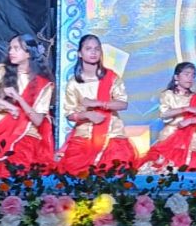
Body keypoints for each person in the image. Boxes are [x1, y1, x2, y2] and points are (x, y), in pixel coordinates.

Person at [0, 34, 55, 176]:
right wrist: (6, 104)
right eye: (10, 48)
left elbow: (39, 120)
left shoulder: (43, 83)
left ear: (29, 53)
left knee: (16, 167)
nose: (11, 52)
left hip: (26, 134)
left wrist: (19, 99)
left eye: (16, 48)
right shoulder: (3, 70)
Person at [54, 35, 138, 175]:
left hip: (111, 133)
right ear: (80, 53)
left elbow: (123, 104)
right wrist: (87, 115)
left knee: (115, 172)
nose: (93, 52)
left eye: (97, 49)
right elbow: (69, 114)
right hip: (84, 136)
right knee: (76, 175)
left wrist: (99, 104)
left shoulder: (111, 77)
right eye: (88, 49)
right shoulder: (74, 83)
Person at [139, 62, 196, 173]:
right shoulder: (168, 95)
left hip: (191, 141)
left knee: (192, 170)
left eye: (193, 75)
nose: (190, 78)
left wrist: (190, 120)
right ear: (176, 77)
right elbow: (164, 113)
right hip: (169, 139)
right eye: (187, 74)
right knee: (164, 170)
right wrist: (185, 109)